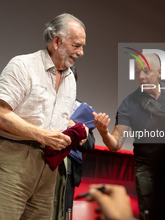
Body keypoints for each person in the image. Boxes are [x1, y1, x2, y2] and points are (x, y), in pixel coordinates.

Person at [0, 13, 88, 220]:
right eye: (76, 45)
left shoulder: (71, 80)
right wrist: (42, 135)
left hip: (48, 167)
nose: (81, 52)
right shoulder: (23, 65)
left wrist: (74, 130)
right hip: (10, 156)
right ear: (56, 41)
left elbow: (51, 118)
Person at [93, 53, 165, 220]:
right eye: (137, 72)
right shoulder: (128, 103)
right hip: (146, 168)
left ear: (159, 72)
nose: (141, 77)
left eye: (146, 71)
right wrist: (103, 132)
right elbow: (115, 144)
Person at [53, 66, 95, 220]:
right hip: (46, 166)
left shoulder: (80, 109)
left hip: (69, 171)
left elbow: (90, 143)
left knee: (64, 213)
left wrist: (78, 133)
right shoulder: (45, 100)